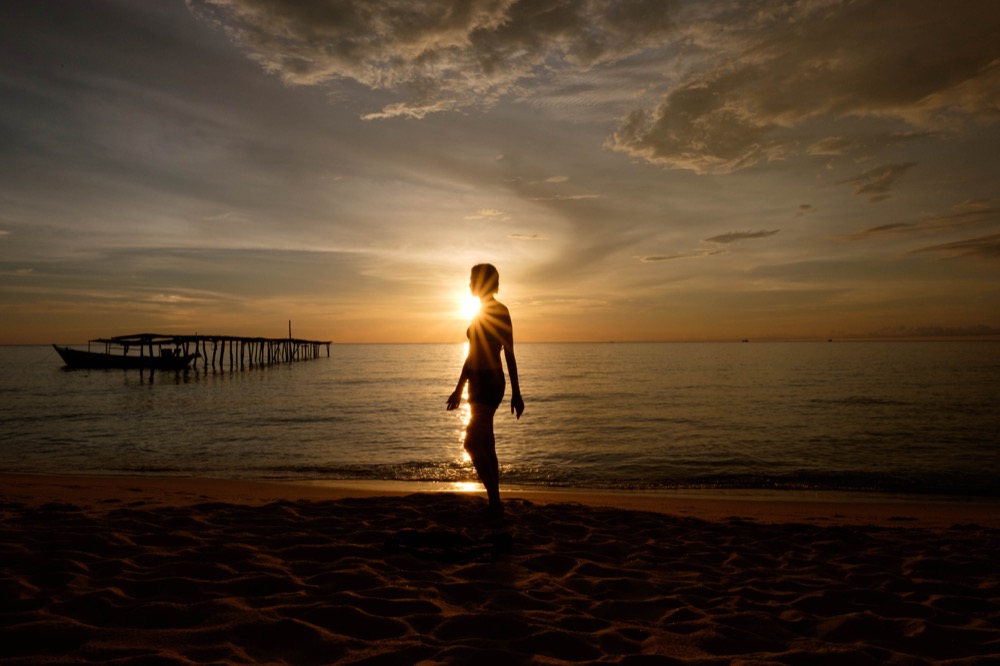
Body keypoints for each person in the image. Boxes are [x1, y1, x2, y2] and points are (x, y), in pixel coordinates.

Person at [447, 263, 524, 518]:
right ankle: (495, 502)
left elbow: (510, 353)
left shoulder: (500, 312)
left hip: (491, 382)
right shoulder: (477, 312)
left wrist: (517, 392)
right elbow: (471, 355)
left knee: (471, 442)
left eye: (472, 280)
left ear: (483, 282)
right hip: (475, 381)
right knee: (485, 444)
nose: (469, 284)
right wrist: (459, 388)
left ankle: (494, 501)